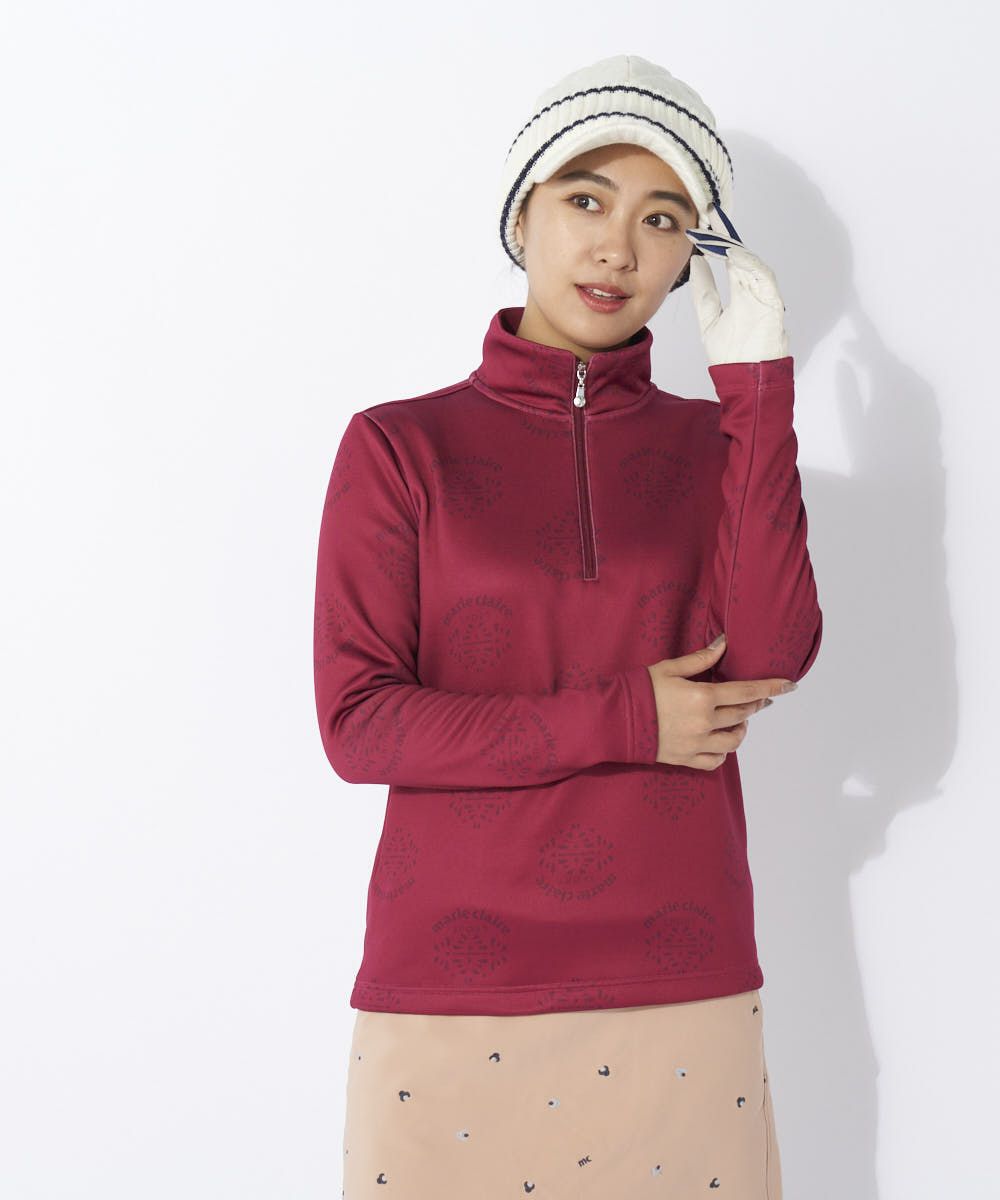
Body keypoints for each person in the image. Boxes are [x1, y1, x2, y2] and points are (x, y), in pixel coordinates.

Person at [314, 52, 822, 1199]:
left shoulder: (715, 448)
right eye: (586, 199)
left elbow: (769, 656)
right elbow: (359, 726)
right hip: (448, 981)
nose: (617, 249)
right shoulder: (400, 447)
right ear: (522, 213)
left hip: (678, 969)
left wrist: (756, 392)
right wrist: (629, 717)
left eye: (662, 218)